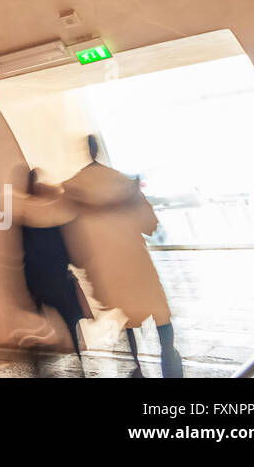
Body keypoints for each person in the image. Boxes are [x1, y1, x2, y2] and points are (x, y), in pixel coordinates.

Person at [61, 136, 184, 377]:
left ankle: (137, 366)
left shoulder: (73, 191)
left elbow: (73, 243)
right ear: (98, 150)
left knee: (126, 319)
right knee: (160, 314)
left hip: (106, 271)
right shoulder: (124, 184)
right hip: (137, 263)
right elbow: (150, 225)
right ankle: (169, 360)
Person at [17, 169, 88, 374]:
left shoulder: (24, 215)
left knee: (43, 323)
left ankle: (43, 354)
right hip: (59, 279)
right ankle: (79, 361)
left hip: (37, 281)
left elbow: (21, 252)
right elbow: (68, 247)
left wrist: (25, 283)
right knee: (71, 322)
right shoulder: (55, 212)